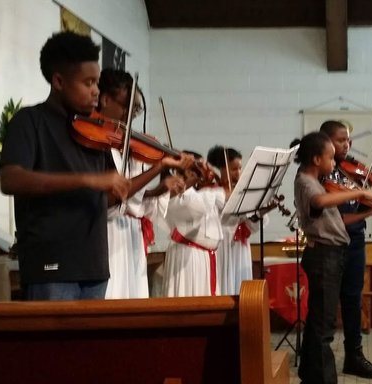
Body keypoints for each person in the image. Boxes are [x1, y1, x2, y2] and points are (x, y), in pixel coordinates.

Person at [0, 31, 131, 300]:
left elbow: (99, 199)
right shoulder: (29, 122)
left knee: (93, 345)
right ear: (58, 81)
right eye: (88, 82)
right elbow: (11, 179)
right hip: (51, 267)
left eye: (97, 82)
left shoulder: (95, 131)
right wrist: (87, 180)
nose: (96, 91)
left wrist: (115, 191)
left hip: (94, 266)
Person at [292, 131, 372, 384]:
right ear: (315, 159)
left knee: (318, 322)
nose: (334, 164)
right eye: (331, 158)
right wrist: (358, 194)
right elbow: (320, 201)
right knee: (324, 327)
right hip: (323, 256)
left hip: (331, 254)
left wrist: (368, 212)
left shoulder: (318, 182)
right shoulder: (306, 182)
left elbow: (339, 221)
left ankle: (309, 376)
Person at [96, 68, 192, 299]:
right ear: (105, 99)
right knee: (113, 296)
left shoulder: (130, 145)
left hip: (131, 233)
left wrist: (161, 188)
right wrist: (160, 170)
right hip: (108, 233)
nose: (131, 116)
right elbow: (118, 194)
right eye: (127, 108)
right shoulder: (96, 143)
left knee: (132, 298)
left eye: (136, 110)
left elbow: (137, 195)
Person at [319, 120, 372, 378]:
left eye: (348, 140)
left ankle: (354, 355)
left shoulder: (350, 172)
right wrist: (367, 204)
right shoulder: (320, 174)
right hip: (332, 243)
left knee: (353, 299)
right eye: (340, 140)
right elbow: (336, 215)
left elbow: (356, 210)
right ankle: (316, 359)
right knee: (325, 305)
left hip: (355, 240)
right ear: (325, 141)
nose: (346, 145)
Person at [207, 145, 272, 295]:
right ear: (221, 169)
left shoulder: (243, 192)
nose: (238, 173)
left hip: (240, 245)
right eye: (233, 169)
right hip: (221, 244)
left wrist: (259, 213)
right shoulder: (213, 192)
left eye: (239, 168)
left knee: (240, 286)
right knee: (223, 285)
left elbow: (252, 226)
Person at [162, 153, 226, 297]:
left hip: (205, 259)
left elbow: (225, 200)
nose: (203, 172)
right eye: (196, 168)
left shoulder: (205, 193)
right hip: (188, 258)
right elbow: (197, 207)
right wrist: (208, 188)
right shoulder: (175, 196)